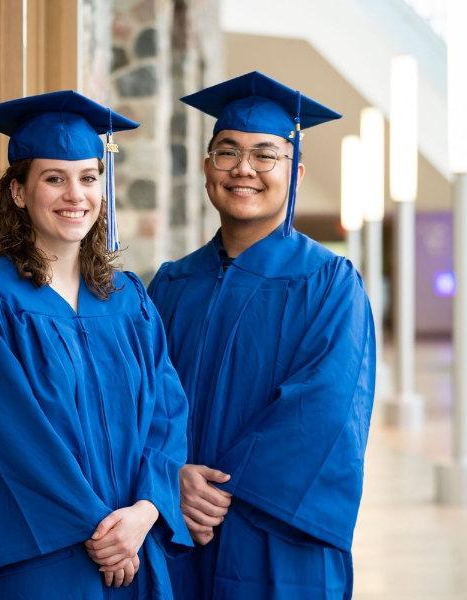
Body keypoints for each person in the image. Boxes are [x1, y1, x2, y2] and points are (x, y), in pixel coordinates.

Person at [0, 90, 192, 599]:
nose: (74, 195)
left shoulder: (130, 300)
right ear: (18, 192)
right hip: (45, 556)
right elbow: (12, 434)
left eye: (88, 177)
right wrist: (100, 532)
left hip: (135, 545)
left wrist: (144, 513)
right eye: (53, 178)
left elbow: (167, 415)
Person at [148, 71, 376, 599]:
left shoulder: (329, 283)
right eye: (227, 152)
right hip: (176, 530)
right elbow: (138, 403)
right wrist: (170, 475)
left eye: (264, 155)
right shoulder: (171, 284)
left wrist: (216, 492)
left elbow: (328, 411)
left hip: (275, 537)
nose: (243, 169)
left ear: (294, 171)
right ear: (207, 169)